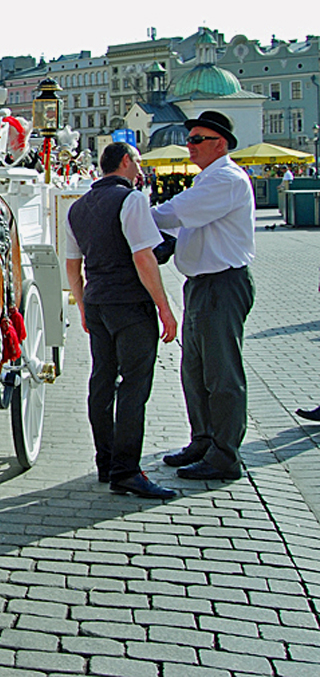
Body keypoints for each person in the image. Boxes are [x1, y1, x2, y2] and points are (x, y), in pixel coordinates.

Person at [65, 142, 178, 500]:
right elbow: (144, 257)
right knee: (133, 385)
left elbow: (72, 264)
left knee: (101, 380)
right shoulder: (132, 200)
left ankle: (106, 460)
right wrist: (164, 305)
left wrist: (82, 305)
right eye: (138, 162)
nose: (140, 170)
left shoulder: (77, 208)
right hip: (129, 303)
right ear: (126, 162)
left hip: (98, 302)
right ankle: (127, 470)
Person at [153, 111, 255, 481]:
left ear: (220, 144)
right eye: (190, 138)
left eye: (197, 139)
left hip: (221, 284)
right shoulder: (209, 179)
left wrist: (132, 214)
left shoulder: (225, 179)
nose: (190, 145)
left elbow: (175, 214)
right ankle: (205, 439)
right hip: (202, 284)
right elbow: (186, 228)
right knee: (194, 370)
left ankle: (225, 455)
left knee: (221, 373)